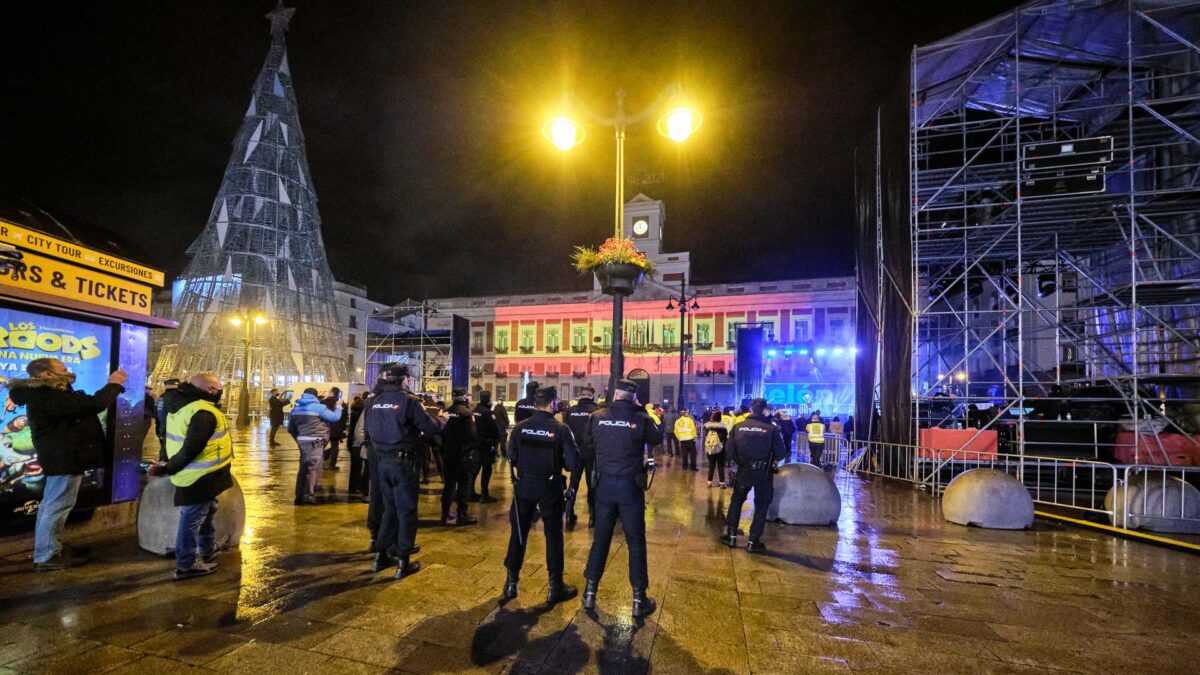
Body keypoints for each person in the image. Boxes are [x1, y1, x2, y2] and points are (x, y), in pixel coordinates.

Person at [10, 358, 127, 571]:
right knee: (57, 505)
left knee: (52, 504)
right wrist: (114, 384)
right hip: (64, 457)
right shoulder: (45, 396)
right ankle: (47, 555)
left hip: (64, 456)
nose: (68, 371)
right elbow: (93, 404)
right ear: (47, 374)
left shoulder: (49, 394)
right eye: (62, 369)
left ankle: (50, 547)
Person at [581, 379, 660, 618]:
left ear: (614, 394)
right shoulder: (641, 418)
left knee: (601, 539)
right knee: (636, 541)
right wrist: (640, 410)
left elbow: (589, 445)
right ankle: (638, 598)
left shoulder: (597, 416)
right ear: (633, 397)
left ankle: (589, 593)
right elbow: (658, 439)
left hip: (604, 485)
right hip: (630, 487)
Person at [147, 373, 234, 580]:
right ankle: (186, 564)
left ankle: (207, 549)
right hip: (199, 476)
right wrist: (168, 468)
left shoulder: (180, 406)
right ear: (211, 390)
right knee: (192, 519)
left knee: (207, 511)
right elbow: (190, 449)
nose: (222, 389)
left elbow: (169, 437)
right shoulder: (203, 412)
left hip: (200, 475)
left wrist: (167, 463)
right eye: (219, 386)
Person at [363, 364, 445, 578]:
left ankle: (380, 556)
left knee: (389, 509)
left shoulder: (372, 400)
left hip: (382, 461)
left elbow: (369, 431)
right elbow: (430, 427)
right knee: (407, 511)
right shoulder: (408, 401)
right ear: (404, 379)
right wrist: (443, 419)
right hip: (403, 462)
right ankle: (403, 561)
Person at [501, 386, 580, 604]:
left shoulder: (520, 427)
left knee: (518, 533)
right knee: (553, 536)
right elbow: (573, 463)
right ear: (552, 403)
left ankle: (510, 584)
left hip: (524, 485)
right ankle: (555, 586)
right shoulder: (561, 429)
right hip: (549, 487)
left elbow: (511, 455)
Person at [720, 398, 787, 552]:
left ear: (751, 409)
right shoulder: (771, 429)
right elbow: (781, 453)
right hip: (763, 473)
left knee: (737, 501)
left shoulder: (738, 427)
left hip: (743, 471)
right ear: (764, 410)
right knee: (761, 505)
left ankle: (731, 536)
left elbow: (729, 452)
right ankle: (753, 541)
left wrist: (741, 462)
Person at [287, 387, 342, 505]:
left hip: (302, 440)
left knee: (303, 468)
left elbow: (291, 429)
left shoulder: (295, 409)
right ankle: (309, 496)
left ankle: (299, 496)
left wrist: (299, 439)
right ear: (315, 396)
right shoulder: (319, 408)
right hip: (317, 440)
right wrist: (339, 407)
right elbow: (334, 418)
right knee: (314, 468)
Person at [562, 384, 600, 527]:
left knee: (573, 483)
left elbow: (566, 433)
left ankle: (568, 514)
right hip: (591, 453)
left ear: (580, 396)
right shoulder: (597, 411)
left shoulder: (570, 412)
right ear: (591, 396)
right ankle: (593, 517)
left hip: (575, 452)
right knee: (592, 485)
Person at [440, 388, 478, 526]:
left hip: (448, 453)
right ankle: (462, 514)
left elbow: (440, 432)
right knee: (463, 485)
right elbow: (472, 435)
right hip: (463, 455)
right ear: (464, 398)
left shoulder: (446, 412)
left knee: (449, 485)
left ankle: (444, 514)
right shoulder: (467, 414)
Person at [471, 390, 500, 505]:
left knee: (475, 469)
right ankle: (484, 494)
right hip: (486, 445)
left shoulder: (475, 411)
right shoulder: (488, 413)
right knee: (487, 470)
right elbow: (495, 429)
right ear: (488, 399)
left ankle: (470, 491)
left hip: (476, 444)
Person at [155, 378, 183, 461]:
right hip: (173, 426)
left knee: (164, 445)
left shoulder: (161, 397)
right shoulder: (176, 396)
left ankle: (163, 462)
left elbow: (155, 411)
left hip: (161, 425)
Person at [347, 394, 368, 498]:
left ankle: (352, 487)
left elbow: (351, 430)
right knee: (361, 467)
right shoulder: (363, 414)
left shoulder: (353, 413)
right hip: (359, 443)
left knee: (354, 467)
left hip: (353, 442)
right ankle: (359, 486)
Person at [323, 387, 348, 469]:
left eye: (329, 391)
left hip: (324, 428)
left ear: (332, 392)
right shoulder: (342, 404)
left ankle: (315, 462)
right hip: (337, 429)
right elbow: (344, 417)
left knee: (318, 445)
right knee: (335, 446)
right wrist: (342, 429)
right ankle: (332, 465)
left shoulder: (323, 402)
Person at [704, 410, 728, 488]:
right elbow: (725, 438)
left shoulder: (708, 427)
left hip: (711, 449)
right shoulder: (723, 428)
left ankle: (709, 483)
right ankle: (722, 483)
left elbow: (706, 436)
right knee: (720, 466)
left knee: (711, 466)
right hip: (720, 449)